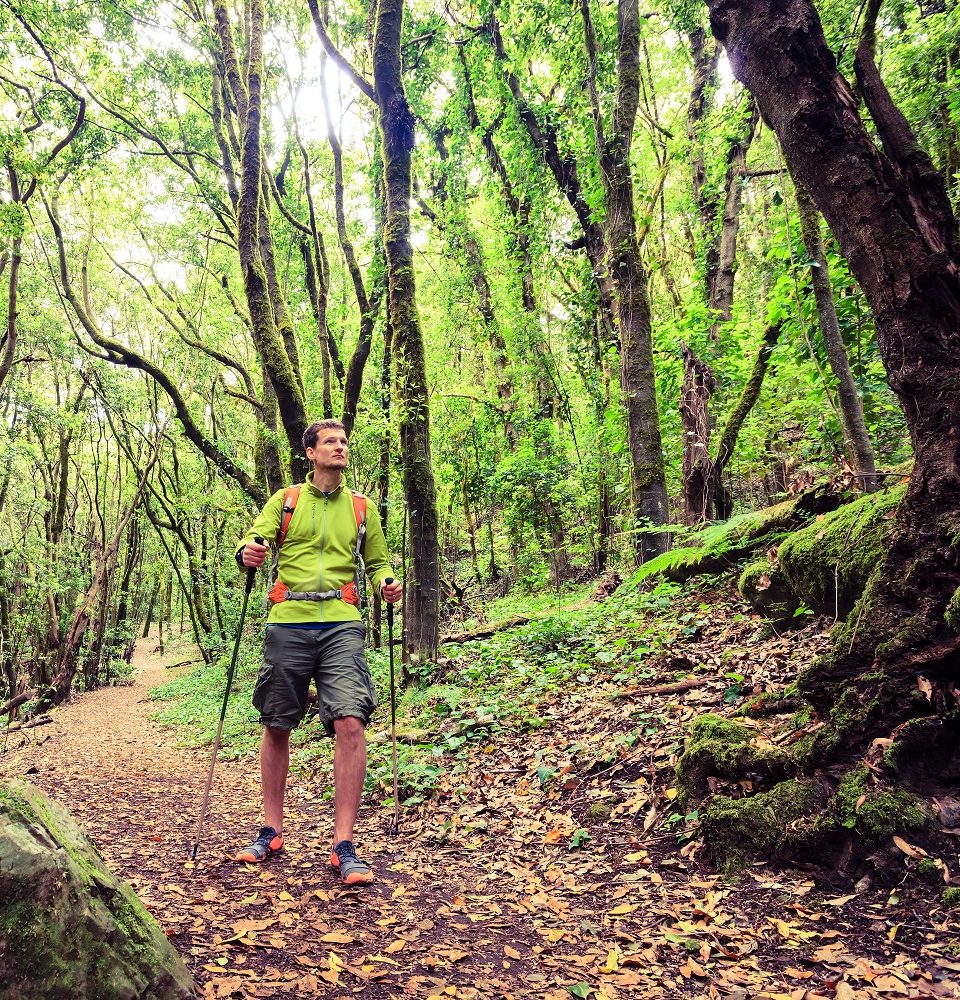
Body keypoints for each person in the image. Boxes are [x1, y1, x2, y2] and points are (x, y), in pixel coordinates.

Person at [234, 419, 401, 884]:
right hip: (288, 620)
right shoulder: (286, 500)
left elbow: (379, 561)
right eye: (330, 442)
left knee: (351, 720)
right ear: (310, 452)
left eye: (344, 442)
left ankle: (344, 844)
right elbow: (254, 538)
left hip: (342, 624)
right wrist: (248, 551)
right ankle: (270, 830)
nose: (340, 447)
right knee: (276, 721)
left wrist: (385, 583)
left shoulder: (361, 507)